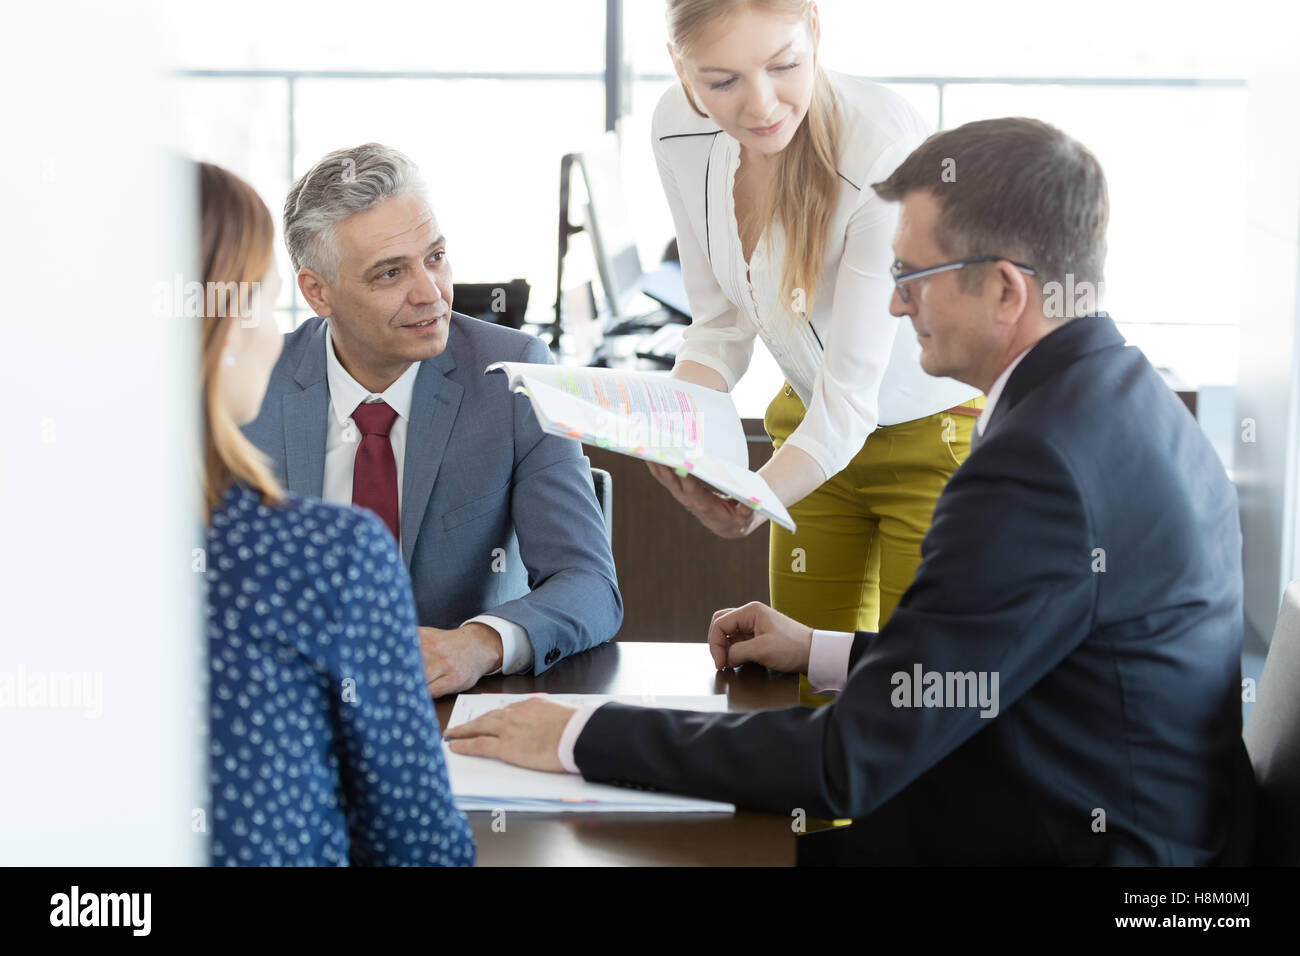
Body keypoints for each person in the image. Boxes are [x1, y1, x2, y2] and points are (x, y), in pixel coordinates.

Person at [444, 118, 1256, 865]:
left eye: (913, 276)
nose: (895, 303)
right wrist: (824, 650)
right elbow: (1010, 658)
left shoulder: (1036, 466)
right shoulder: (1120, 394)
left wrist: (580, 733)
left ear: (1007, 290)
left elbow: (847, 763)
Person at [646, 0, 983, 674]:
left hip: (931, 439)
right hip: (810, 432)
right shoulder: (677, 130)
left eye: (783, 65)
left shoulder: (881, 149)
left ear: (816, 34)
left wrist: (754, 501)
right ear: (681, 70)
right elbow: (718, 325)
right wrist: (674, 430)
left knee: (913, 686)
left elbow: (853, 398)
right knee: (804, 687)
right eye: (722, 81)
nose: (761, 105)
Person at [243, 144, 622, 697]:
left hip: (451, 707)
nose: (431, 294)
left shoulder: (514, 378)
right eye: (390, 273)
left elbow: (589, 586)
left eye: (436, 256)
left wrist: (477, 644)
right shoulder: (250, 388)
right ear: (316, 292)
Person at [198, 161, 474, 865]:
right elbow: (419, 851)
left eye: (436, 257)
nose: (429, 292)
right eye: (263, 302)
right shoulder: (323, 555)